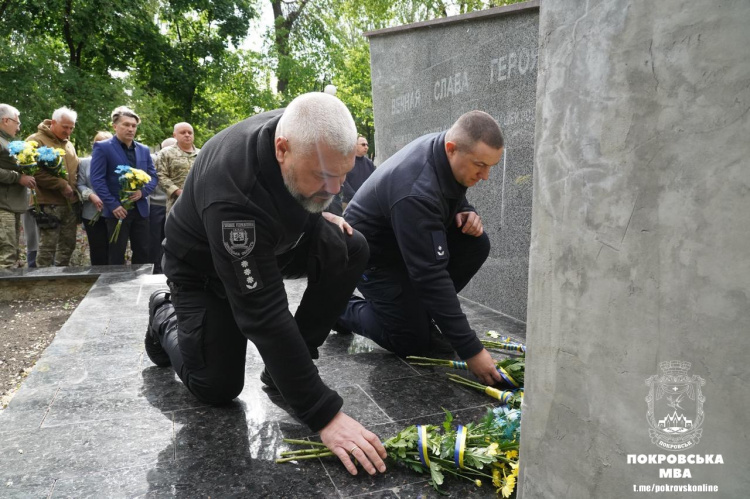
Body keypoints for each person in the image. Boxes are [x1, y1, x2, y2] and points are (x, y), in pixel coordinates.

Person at [145, 92, 387, 477]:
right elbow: (263, 313)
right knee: (217, 387)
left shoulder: (305, 130)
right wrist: (323, 414)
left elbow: (310, 186)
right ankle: (164, 314)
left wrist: (318, 209)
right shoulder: (234, 194)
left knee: (349, 247)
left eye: (342, 174)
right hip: (201, 268)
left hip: (270, 243)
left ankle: (286, 369)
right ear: (281, 151)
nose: (335, 189)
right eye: (324, 178)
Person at [338, 111, 506, 387]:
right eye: (480, 165)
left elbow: (451, 193)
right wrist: (471, 350)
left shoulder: (444, 152)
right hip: (371, 257)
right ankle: (340, 309)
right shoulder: (416, 190)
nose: (485, 176)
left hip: (407, 244)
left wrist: (465, 210)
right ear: (452, 149)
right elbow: (430, 277)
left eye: (491, 166)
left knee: (476, 243)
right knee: (411, 341)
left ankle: (413, 312)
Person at [90, 106, 157, 265]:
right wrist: (113, 205)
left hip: (140, 210)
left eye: (133, 126)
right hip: (116, 211)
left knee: (142, 251)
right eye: (126, 125)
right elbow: (97, 179)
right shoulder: (103, 147)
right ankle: (115, 286)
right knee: (116, 253)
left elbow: (153, 176)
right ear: (115, 126)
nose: (130, 129)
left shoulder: (143, 149)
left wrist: (143, 192)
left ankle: (140, 284)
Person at [26, 107, 81, 267]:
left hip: (69, 203)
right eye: (65, 127)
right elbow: (32, 171)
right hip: (48, 203)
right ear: (53, 122)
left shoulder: (69, 144)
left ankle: (60, 280)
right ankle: (43, 281)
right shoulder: (35, 141)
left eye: (71, 127)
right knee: (47, 246)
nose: (68, 131)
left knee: (68, 245)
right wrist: (61, 184)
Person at [0, 104, 35, 269]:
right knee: (6, 256)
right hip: (2, 206)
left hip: (11, 205)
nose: (19, 127)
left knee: (11, 254)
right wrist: (18, 177)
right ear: (5, 120)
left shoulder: (6, 141)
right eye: (17, 122)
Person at [77, 131, 113, 265]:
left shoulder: (117, 162)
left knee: (114, 249)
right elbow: (79, 184)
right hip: (92, 213)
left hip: (113, 212)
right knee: (97, 249)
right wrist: (91, 195)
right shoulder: (85, 163)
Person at [155, 123, 199, 214]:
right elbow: (160, 175)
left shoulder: (202, 154)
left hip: (198, 203)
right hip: (176, 203)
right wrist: (177, 191)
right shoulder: (166, 153)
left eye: (190, 133)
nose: (187, 135)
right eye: (183, 132)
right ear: (174, 135)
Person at [148, 137, 175, 274]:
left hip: (174, 205)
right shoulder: (153, 159)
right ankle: (157, 268)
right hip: (156, 204)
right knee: (155, 240)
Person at [341, 135, 375, 205]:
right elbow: (343, 181)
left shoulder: (370, 163)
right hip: (349, 202)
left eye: (367, 145)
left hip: (367, 201)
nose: (366, 147)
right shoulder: (347, 162)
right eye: (363, 144)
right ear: (355, 145)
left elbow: (374, 181)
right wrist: (356, 196)